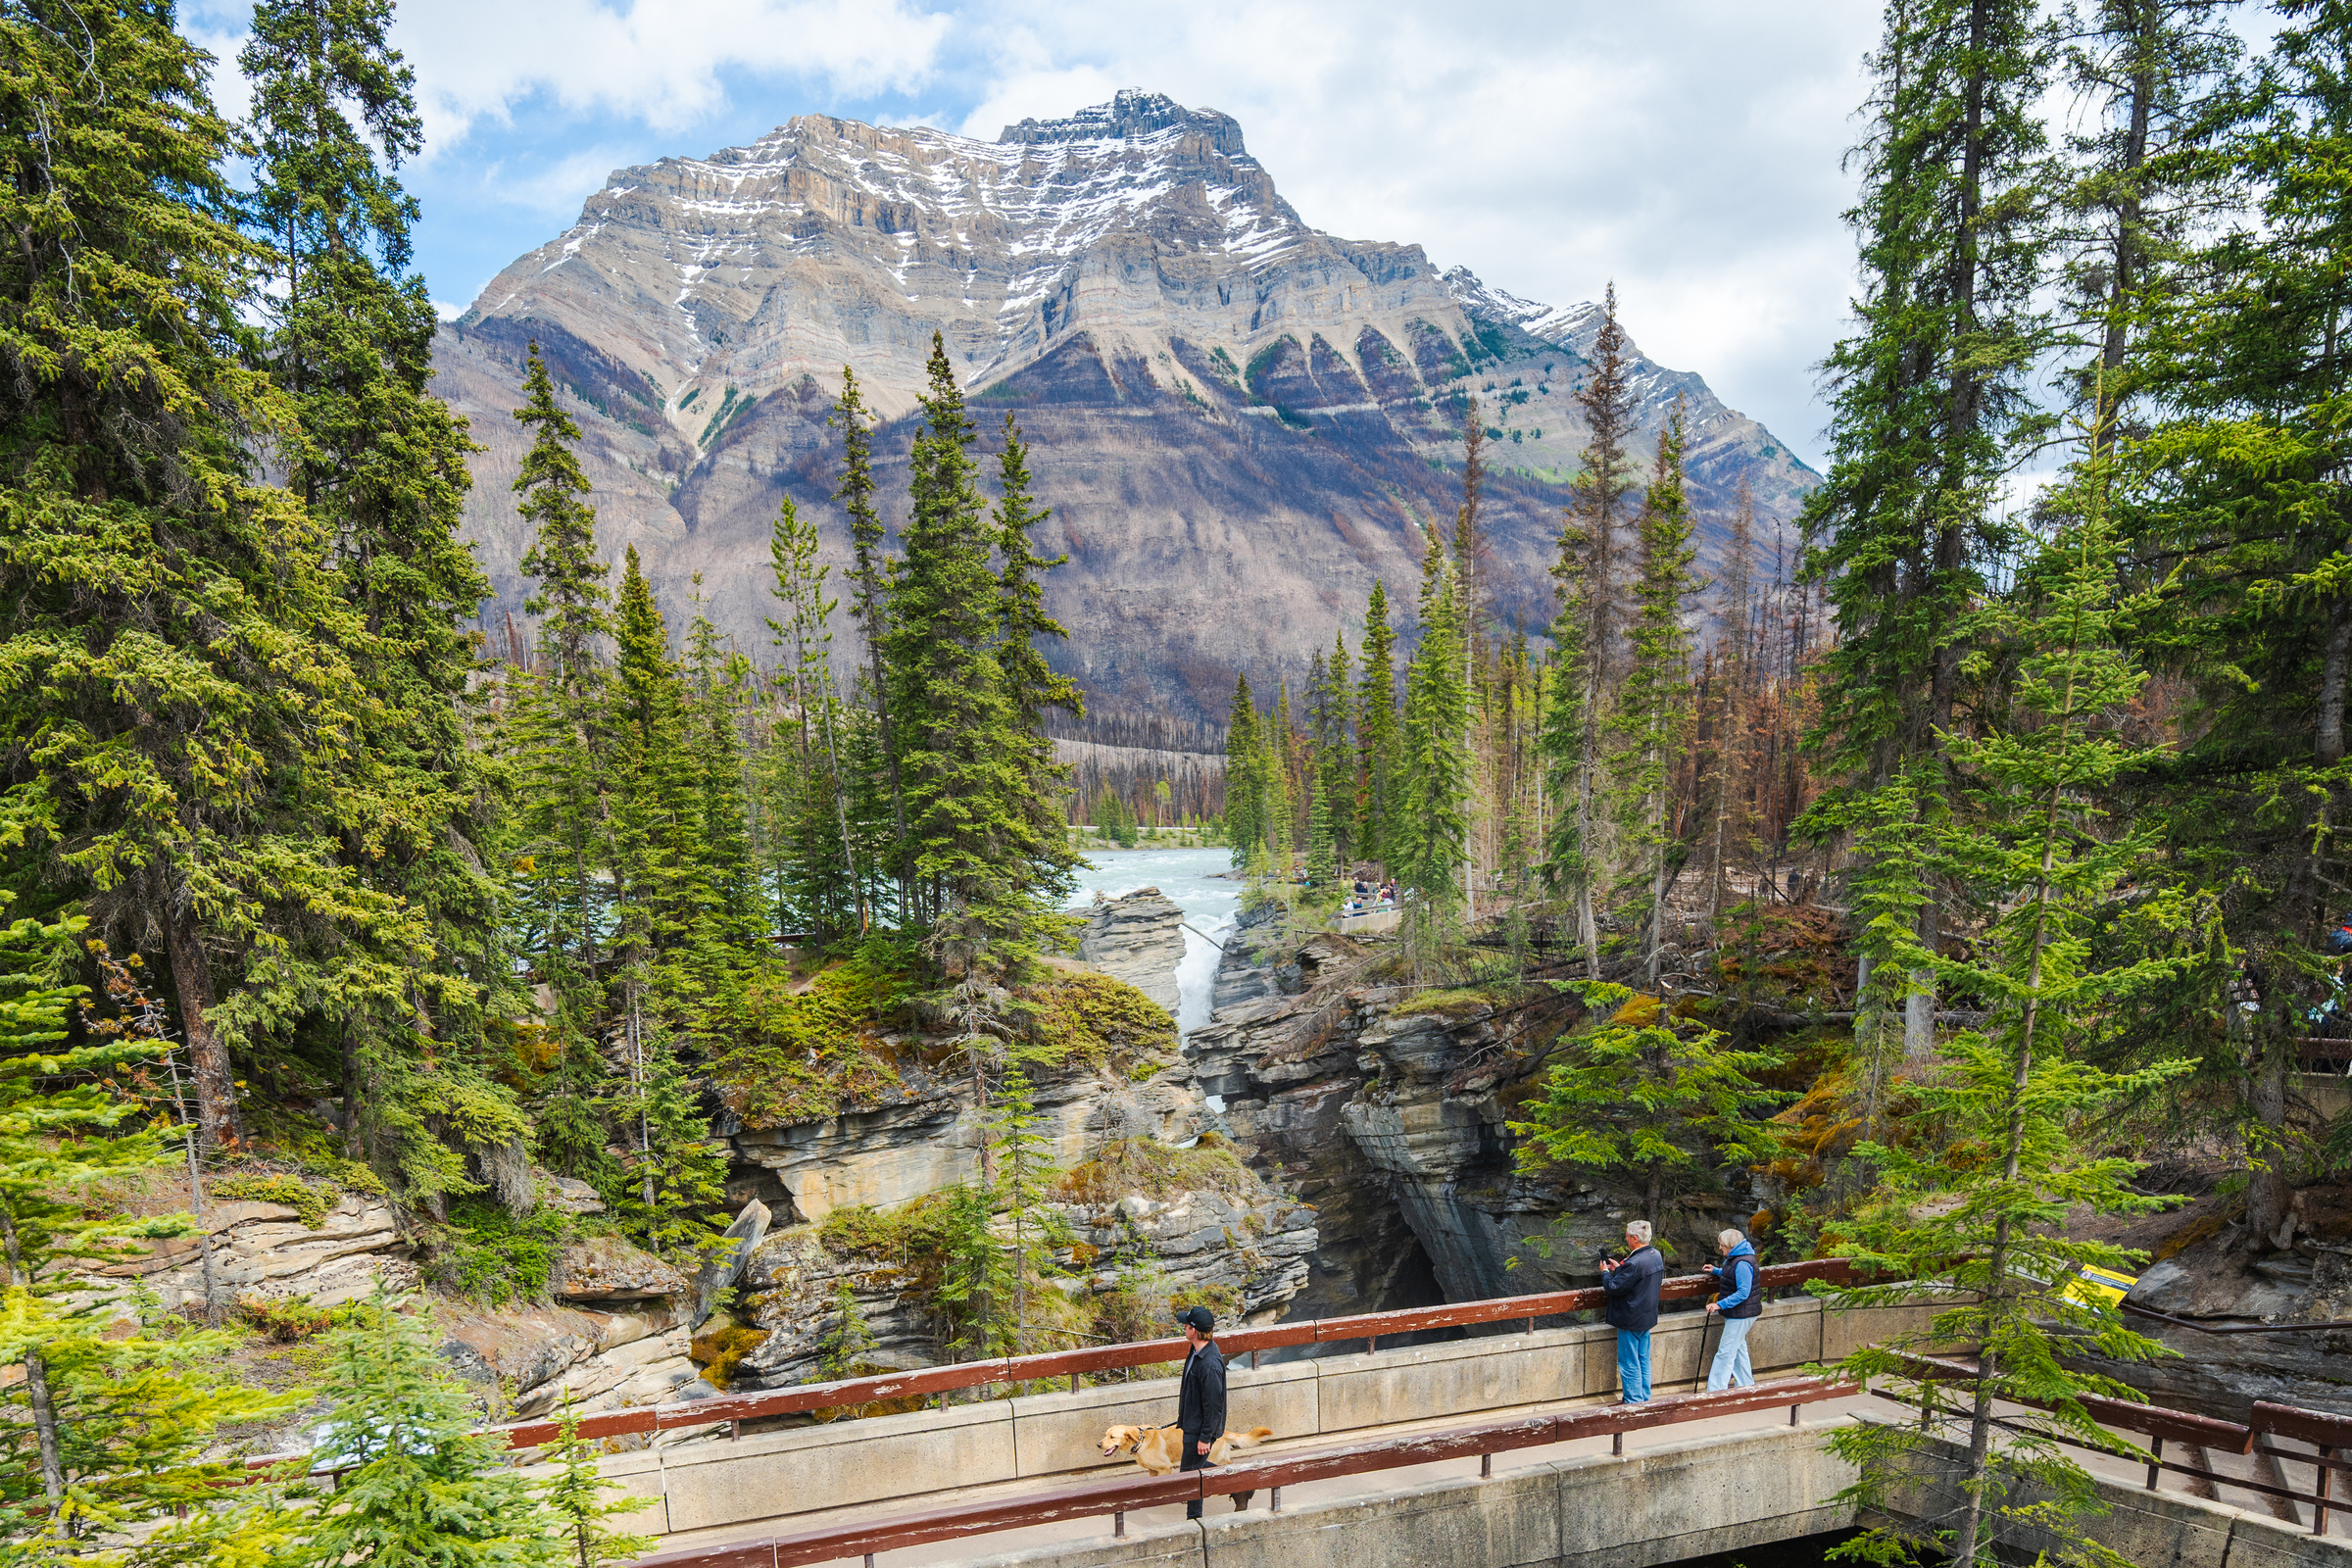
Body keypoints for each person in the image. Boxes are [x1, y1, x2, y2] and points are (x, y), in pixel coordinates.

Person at [1598, 1219, 1664, 1404]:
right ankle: (1643, 1397)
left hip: (1630, 1317)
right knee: (1643, 1358)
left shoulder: (1635, 1262)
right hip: (1646, 1316)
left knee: (1629, 1362)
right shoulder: (1654, 1255)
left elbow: (1614, 1287)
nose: (1626, 1239)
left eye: (1627, 1236)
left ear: (1634, 1238)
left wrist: (1605, 1272)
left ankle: (1633, 1400)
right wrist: (1619, 1269)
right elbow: (1635, 1280)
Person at [1175, 1304, 1226, 1519]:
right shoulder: (1196, 1351)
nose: (1183, 1328)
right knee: (1194, 1469)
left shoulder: (1210, 1364)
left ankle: (1193, 1520)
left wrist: (1205, 1437)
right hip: (1193, 1423)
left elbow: (1214, 1406)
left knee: (1189, 1476)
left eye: (1185, 1325)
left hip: (1201, 1429)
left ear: (1193, 1330)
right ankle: (1240, 1483)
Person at [1703, 1228, 1762, 1390]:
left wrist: (1719, 1304)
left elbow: (1743, 1292)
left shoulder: (1742, 1263)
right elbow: (1733, 1274)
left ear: (1730, 1246)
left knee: (1725, 1353)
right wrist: (1716, 1271)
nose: (1720, 1248)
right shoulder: (1739, 1258)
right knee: (1738, 1349)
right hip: (1742, 1313)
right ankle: (1746, 1384)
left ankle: (1715, 1391)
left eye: (1722, 1245)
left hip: (1741, 1314)